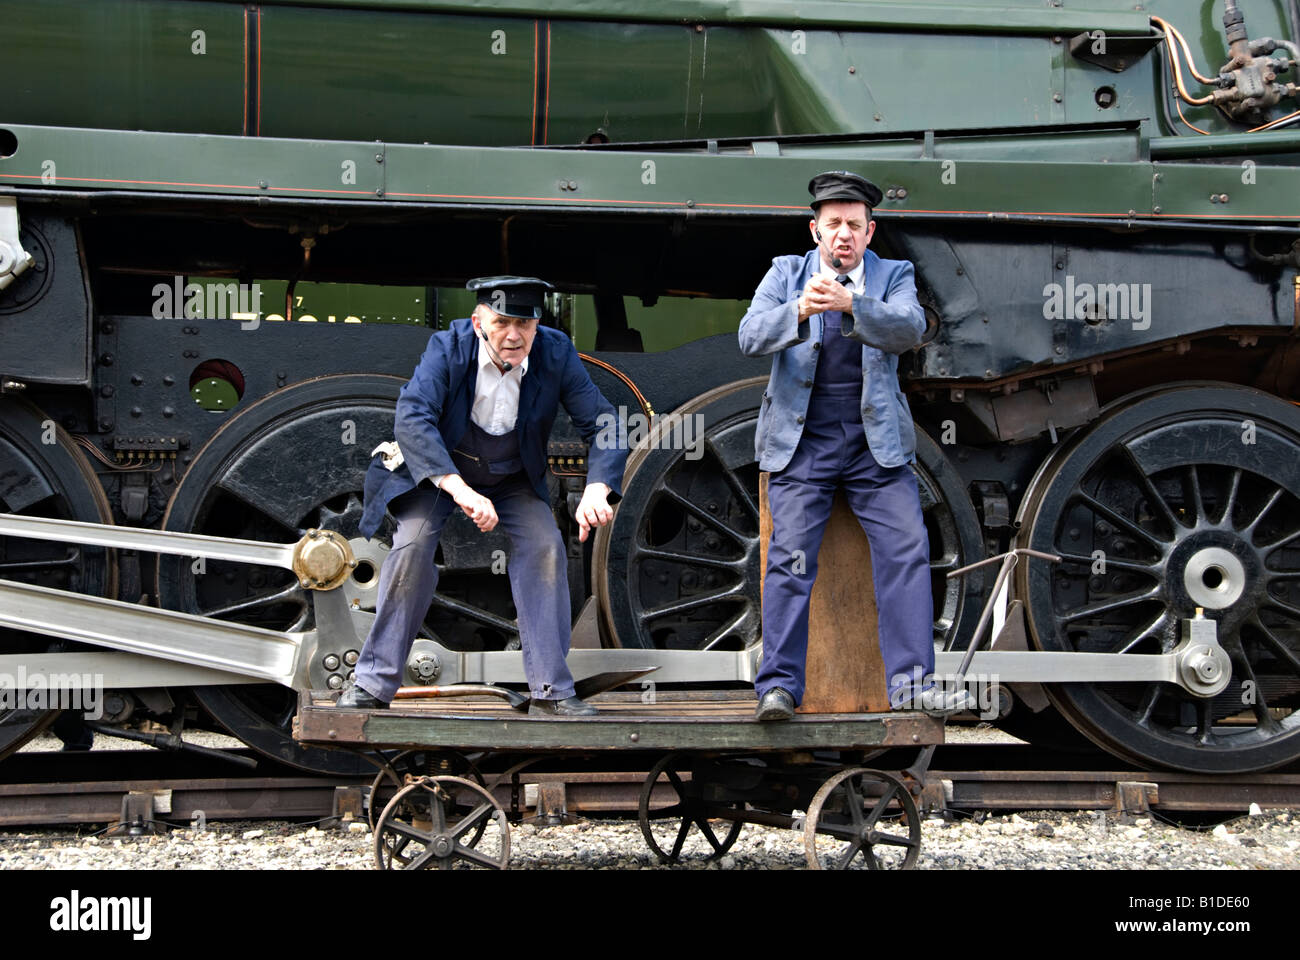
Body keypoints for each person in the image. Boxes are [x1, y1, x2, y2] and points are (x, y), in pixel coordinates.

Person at [738, 171, 972, 721]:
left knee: (907, 553)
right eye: (833, 224)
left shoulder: (894, 274)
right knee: (788, 563)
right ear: (814, 229)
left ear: (871, 231)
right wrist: (799, 310)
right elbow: (749, 336)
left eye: (854, 225)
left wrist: (849, 306)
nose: (843, 234)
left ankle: (913, 686)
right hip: (803, 444)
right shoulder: (785, 273)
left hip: (876, 445)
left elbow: (910, 329)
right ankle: (778, 689)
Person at [338, 276, 627, 716]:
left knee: (547, 548)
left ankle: (551, 690)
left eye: (525, 324)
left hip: (511, 475)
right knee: (413, 545)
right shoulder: (447, 347)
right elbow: (413, 417)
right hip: (442, 470)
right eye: (502, 322)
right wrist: (461, 490)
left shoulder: (555, 350)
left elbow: (604, 422)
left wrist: (597, 486)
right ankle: (373, 683)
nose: (514, 335)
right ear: (478, 321)